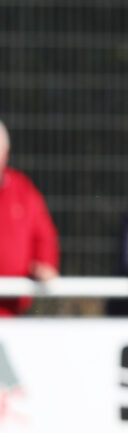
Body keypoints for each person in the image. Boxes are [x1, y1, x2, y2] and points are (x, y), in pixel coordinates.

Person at [0, 119, 60, 317]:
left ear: (6, 154)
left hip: (13, 311)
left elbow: (44, 234)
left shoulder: (22, 190)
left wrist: (46, 262)